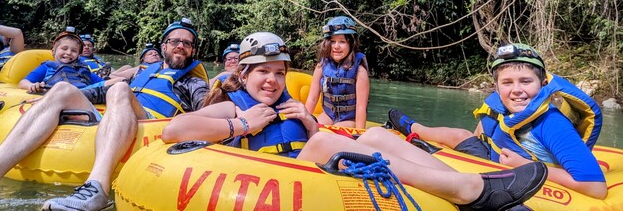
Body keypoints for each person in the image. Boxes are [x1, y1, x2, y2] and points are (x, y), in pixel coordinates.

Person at [163, 32, 548, 211]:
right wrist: (242, 124)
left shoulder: (290, 104)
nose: (272, 81)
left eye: (279, 74)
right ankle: (471, 191)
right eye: (262, 72)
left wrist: (312, 126)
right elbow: (173, 130)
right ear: (244, 75)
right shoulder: (234, 105)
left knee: (379, 132)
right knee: (323, 144)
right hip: (275, 181)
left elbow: (315, 138)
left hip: (310, 168)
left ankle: (474, 190)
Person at [0, 18, 210, 211]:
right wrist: (48, 99)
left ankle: (96, 189)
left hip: (152, 124)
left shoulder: (193, 81)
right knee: (63, 89)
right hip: (121, 118)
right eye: (174, 41)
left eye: (187, 43)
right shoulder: (145, 71)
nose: (180, 46)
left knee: (120, 88)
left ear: (193, 50)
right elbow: (101, 90)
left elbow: (206, 110)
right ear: (164, 46)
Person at [388, 43, 607, 199]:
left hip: (518, 166)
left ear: (543, 84)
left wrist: (524, 165)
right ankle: (411, 126)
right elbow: (485, 136)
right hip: (493, 156)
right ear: (497, 87)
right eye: (507, 82)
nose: (517, 90)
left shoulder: (552, 124)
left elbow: (596, 187)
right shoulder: (502, 108)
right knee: (461, 136)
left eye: (526, 81)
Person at [305, 16, 370, 128]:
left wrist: (359, 135)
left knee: (337, 133)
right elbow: (312, 98)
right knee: (311, 128)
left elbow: (360, 107)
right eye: (333, 41)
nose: (336, 46)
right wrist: (302, 123)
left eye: (342, 42)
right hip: (328, 115)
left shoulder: (360, 71)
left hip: (349, 119)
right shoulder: (321, 66)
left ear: (351, 44)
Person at [18, 27, 107, 94]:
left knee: (116, 83)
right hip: (57, 95)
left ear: (78, 55)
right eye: (64, 48)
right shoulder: (47, 67)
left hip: (83, 95)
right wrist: (32, 86)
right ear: (53, 51)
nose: (68, 53)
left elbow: (102, 83)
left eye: (74, 51)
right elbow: (23, 83)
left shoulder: (82, 70)